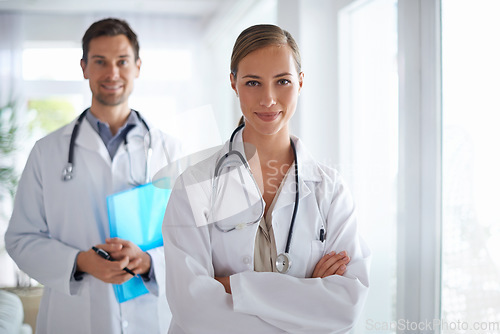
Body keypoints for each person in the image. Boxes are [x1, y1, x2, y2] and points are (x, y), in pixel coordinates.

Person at [162, 24, 370, 333]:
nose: (268, 99)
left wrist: (233, 287)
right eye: (253, 82)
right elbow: (193, 310)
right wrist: (306, 294)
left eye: (282, 81)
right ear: (233, 83)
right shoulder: (196, 185)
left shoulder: (331, 190)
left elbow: (345, 307)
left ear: (300, 82)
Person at [5, 18, 181, 334]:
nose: (112, 73)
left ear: (138, 67)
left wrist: (148, 261)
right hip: (73, 319)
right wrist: (81, 261)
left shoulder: (169, 150)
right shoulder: (47, 152)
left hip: (149, 319)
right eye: (100, 61)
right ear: (84, 67)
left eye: (122, 62)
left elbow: (192, 240)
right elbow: (20, 239)